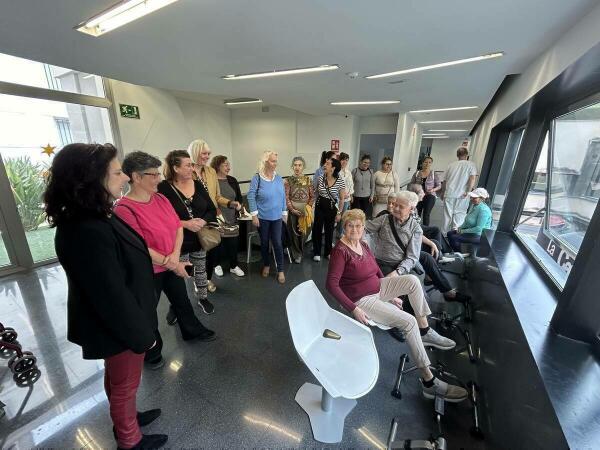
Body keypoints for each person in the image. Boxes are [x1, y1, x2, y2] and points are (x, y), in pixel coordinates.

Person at [45, 143, 168, 449]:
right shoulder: (85, 228)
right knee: (125, 383)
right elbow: (110, 293)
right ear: (92, 178)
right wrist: (143, 334)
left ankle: (126, 419)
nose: (125, 178)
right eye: (117, 172)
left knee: (118, 379)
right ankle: (130, 440)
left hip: (120, 318)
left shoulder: (94, 215)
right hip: (119, 325)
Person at [326, 209, 467, 403]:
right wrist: (353, 308)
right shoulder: (340, 251)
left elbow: (376, 270)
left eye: (359, 225)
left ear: (363, 227)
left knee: (411, 281)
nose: (355, 229)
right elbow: (331, 285)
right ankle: (429, 382)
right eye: (350, 225)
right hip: (362, 300)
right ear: (344, 227)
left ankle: (424, 330)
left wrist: (390, 294)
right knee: (408, 322)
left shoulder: (363, 245)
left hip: (378, 289)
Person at [115, 151, 216, 368]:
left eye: (159, 173)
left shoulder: (160, 198)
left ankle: (192, 331)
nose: (159, 179)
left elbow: (177, 226)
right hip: (146, 271)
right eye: (153, 174)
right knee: (147, 312)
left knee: (181, 301)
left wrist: (174, 256)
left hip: (171, 262)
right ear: (136, 177)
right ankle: (151, 352)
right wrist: (173, 262)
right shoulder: (124, 209)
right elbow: (140, 246)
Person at [370, 191, 469, 303]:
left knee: (427, 256)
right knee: (420, 267)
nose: (394, 208)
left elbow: (413, 250)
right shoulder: (384, 218)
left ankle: (445, 290)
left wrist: (430, 243)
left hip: (403, 256)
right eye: (393, 204)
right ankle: (430, 285)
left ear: (411, 209)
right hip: (391, 258)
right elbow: (365, 227)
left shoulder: (414, 224)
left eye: (399, 206)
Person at [157, 150, 217, 317]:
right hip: (177, 241)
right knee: (179, 275)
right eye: (188, 165)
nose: (192, 168)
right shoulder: (163, 188)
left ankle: (203, 298)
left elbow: (212, 210)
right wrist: (185, 224)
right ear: (176, 168)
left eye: (191, 165)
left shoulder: (197, 184)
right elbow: (159, 218)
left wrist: (202, 222)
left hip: (199, 238)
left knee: (200, 269)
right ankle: (176, 305)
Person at [188, 139, 241, 293]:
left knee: (211, 252)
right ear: (195, 152)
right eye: (204, 153)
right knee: (197, 254)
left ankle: (207, 279)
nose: (207, 156)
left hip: (210, 217)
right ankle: (198, 281)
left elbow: (217, 197)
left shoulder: (210, 171)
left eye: (208, 154)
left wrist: (231, 203)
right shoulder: (187, 171)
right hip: (193, 218)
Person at [247, 150, 288, 283]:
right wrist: (254, 215)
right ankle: (266, 264)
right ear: (265, 162)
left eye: (276, 160)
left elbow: (282, 196)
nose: (275, 163)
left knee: (277, 242)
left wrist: (284, 212)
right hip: (263, 218)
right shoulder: (257, 177)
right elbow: (251, 196)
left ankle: (280, 270)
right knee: (264, 243)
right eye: (272, 161)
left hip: (276, 218)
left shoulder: (278, 177)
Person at [211, 155, 245, 277]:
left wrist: (240, 206)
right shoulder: (212, 180)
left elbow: (239, 198)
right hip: (218, 218)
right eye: (225, 164)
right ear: (217, 165)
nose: (228, 167)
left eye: (228, 164)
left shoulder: (232, 180)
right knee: (217, 244)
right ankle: (216, 265)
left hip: (232, 217)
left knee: (233, 244)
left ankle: (233, 266)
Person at [312, 158, 346, 261]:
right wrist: (312, 204)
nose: (324, 165)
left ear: (333, 168)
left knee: (329, 230)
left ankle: (328, 252)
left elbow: (341, 199)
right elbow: (315, 191)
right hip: (319, 206)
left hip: (331, 208)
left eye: (327, 164)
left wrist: (339, 213)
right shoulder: (321, 177)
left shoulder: (340, 180)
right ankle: (317, 252)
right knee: (317, 229)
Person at [284, 156, 313, 263]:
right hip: (293, 211)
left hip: (305, 211)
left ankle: (298, 251)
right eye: (295, 165)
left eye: (299, 165)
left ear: (303, 167)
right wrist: (292, 209)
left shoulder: (308, 180)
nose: (297, 167)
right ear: (292, 166)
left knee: (304, 232)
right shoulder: (288, 180)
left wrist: (308, 208)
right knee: (294, 233)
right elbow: (286, 197)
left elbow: (312, 196)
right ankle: (297, 254)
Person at [441, 147, 477, 232]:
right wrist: (468, 191)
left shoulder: (451, 165)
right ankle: (455, 234)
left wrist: (443, 192)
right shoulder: (471, 165)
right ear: (467, 155)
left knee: (447, 216)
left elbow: (444, 181)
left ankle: (444, 235)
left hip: (449, 193)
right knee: (460, 215)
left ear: (457, 155)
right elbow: (472, 179)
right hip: (462, 195)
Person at [447, 188, 493, 252]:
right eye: (471, 197)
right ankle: (455, 251)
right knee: (450, 233)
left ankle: (459, 253)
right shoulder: (474, 205)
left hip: (480, 235)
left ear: (482, 198)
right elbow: (467, 222)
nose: (471, 199)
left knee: (454, 237)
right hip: (472, 232)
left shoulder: (484, 210)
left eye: (474, 198)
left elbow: (479, 229)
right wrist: (459, 228)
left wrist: (462, 231)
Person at [411, 156, 441, 226]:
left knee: (426, 214)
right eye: (425, 162)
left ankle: (425, 232)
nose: (427, 164)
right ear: (422, 163)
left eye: (429, 162)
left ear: (431, 164)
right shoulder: (417, 173)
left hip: (430, 196)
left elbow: (439, 185)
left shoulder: (434, 174)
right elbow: (411, 184)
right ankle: (415, 229)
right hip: (418, 196)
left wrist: (433, 190)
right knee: (416, 213)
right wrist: (415, 188)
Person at [352, 154, 375, 218]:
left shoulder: (371, 172)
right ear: (361, 162)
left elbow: (373, 185)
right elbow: (351, 185)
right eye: (365, 162)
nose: (366, 164)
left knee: (364, 216)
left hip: (366, 198)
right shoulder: (355, 171)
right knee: (355, 215)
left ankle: (362, 227)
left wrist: (372, 196)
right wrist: (351, 195)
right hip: (356, 197)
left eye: (368, 163)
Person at [337, 152, 354, 237]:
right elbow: (335, 186)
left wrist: (350, 195)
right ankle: (337, 233)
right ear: (339, 160)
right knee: (338, 217)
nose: (345, 162)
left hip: (347, 199)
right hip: (339, 199)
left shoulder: (348, 172)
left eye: (346, 160)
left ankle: (340, 233)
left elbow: (351, 184)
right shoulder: (336, 171)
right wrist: (342, 194)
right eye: (343, 160)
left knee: (344, 217)